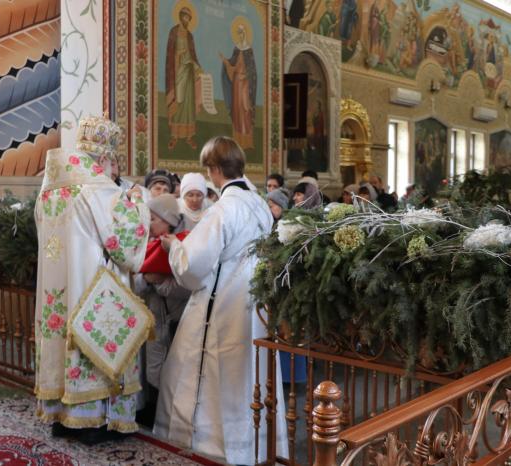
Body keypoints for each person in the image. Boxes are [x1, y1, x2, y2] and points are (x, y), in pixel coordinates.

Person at [155, 136, 287, 464]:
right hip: (253, 304)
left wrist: (174, 248)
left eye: (208, 169)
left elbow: (193, 266)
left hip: (222, 304)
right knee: (249, 375)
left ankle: (209, 448)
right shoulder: (258, 203)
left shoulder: (223, 209)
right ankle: (254, 449)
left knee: (209, 375)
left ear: (214, 169)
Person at [34, 114, 151, 444]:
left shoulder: (50, 189)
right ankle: (94, 421)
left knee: (61, 339)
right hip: (95, 285)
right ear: (104, 158)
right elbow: (123, 244)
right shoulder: (99, 190)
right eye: (113, 162)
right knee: (95, 341)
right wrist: (138, 201)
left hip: (58, 286)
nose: (113, 170)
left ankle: (62, 416)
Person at [134, 194, 190, 428]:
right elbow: (138, 279)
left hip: (171, 317)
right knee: (152, 364)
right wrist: (147, 279)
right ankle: (151, 407)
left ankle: (162, 414)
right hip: (153, 315)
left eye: (153, 218)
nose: (149, 223)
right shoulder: (148, 242)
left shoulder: (183, 245)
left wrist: (157, 282)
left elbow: (186, 287)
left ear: (168, 221)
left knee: (166, 367)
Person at [165, 7, 201, 150]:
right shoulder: (173, 32)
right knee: (178, 103)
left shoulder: (190, 36)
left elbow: (193, 54)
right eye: (185, 17)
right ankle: (174, 136)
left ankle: (189, 136)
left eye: (189, 18)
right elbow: (170, 53)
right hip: (177, 72)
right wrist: (178, 54)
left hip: (189, 73)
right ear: (181, 17)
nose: (187, 20)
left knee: (188, 105)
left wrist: (198, 67)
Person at [220, 23, 257, 150]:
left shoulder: (249, 50)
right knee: (237, 110)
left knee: (246, 109)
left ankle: (247, 141)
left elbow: (252, 70)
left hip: (245, 84)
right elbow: (233, 64)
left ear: (245, 33)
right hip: (236, 84)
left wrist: (246, 77)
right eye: (238, 33)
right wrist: (225, 61)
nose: (240, 35)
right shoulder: (236, 49)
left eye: (241, 33)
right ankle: (238, 141)